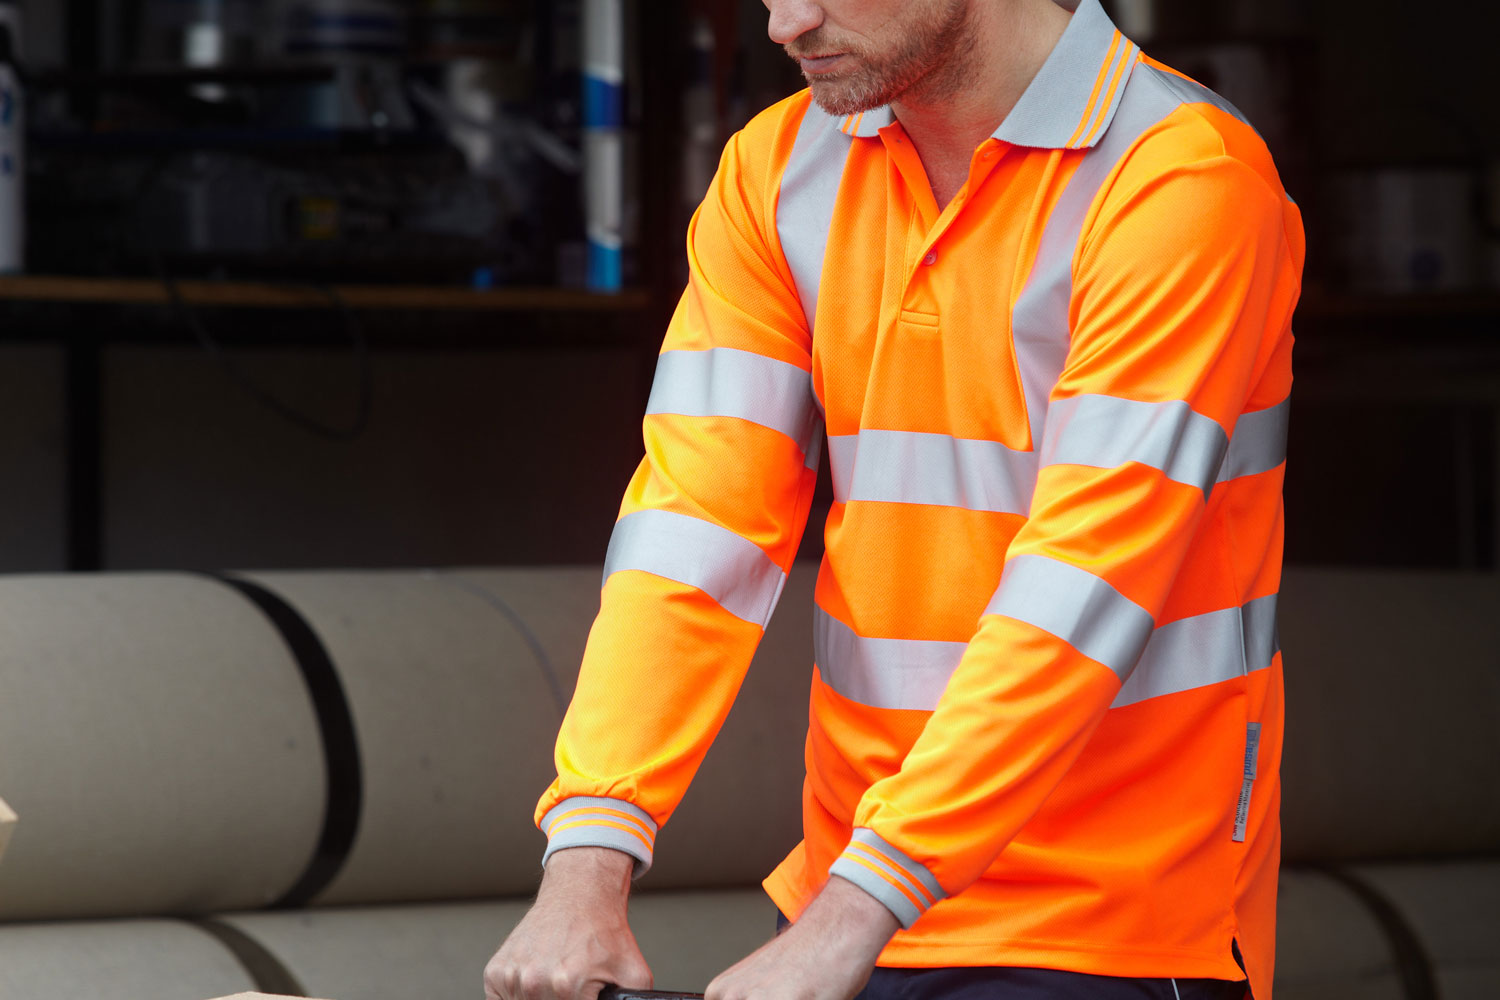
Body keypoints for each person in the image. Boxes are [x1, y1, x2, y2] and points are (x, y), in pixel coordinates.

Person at [486, 0, 1301, 997]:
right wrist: (588, 853)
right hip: (857, 892)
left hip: (1105, 917)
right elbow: (693, 528)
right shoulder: (779, 168)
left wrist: (854, 910)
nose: (786, 22)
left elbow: (1084, 585)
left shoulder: (1179, 179)